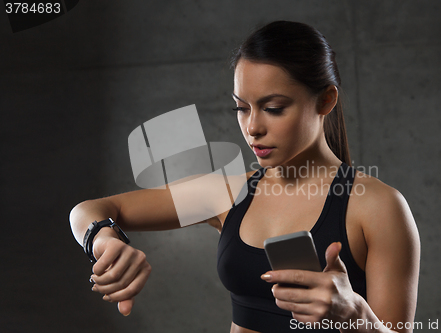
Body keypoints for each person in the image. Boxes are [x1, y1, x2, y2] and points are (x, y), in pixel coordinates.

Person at [70, 20, 420, 333]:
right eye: (242, 107)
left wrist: (356, 316)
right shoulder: (229, 192)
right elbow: (91, 210)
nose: (252, 127)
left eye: (273, 108)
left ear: (325, 100)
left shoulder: (377, 207)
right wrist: (105, 239)